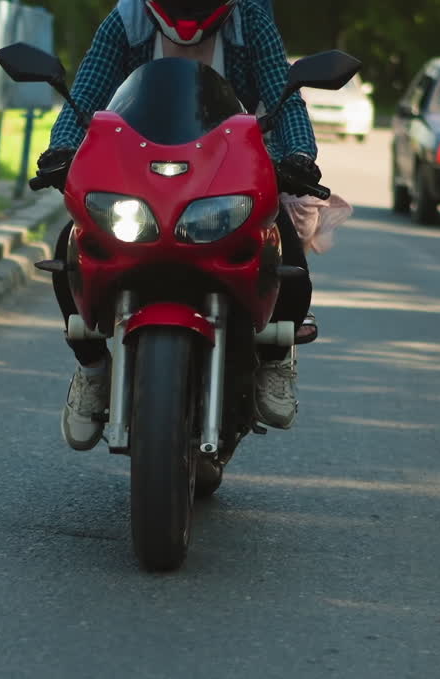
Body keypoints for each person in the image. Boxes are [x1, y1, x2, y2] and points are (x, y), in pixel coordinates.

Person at [37, 0, 322, 450]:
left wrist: (300, 155)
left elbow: (285, 96)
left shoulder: (252, 22)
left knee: (286, 250)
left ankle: (274, 356)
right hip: (136, 170)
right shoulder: (126, 20)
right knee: (71, 247)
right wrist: (62, 149)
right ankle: (92, 366)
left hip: (231, 169)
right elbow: (84, 100)